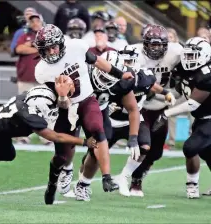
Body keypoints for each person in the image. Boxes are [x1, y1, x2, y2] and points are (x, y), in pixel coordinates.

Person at [34, 24, 136, 204]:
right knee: (61, 156)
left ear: (61, 43)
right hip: (65, 109)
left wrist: (120, 74)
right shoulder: (42, 71)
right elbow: (60, 103)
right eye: (46, 49)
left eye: (54, 46)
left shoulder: (76, 47)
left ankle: (106, 177)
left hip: (87, 99)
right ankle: (54, 181)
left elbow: (97, 61)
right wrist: (63, 95)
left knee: (98, 130)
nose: (51, 52)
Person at [0, 85, 97, 198]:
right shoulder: (30, 115)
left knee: (8, 154)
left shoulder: (29, 98)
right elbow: (55, 137)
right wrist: (84, 141)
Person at [153, 37, 211, 199]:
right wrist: (160, 96)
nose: (188, 59)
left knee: (190, 148)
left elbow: (192, 104)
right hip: (204, 117)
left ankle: (192, 185)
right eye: (187, 55)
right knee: (207, 150)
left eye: (192, 56)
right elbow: (177, 91)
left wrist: (166, 113)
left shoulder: (210, 74)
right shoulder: (182, 68)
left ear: (204, 56)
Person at [59, 51, 141, 201]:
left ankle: (83, 185)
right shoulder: (82, 70)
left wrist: (134, 136)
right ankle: (67, 168)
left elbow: (133, 109)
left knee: (100, 145)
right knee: (67, 144)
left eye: (108, 78)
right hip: (75, 107)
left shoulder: (123, 80)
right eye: (102, 75)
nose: (103, 80)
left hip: (99, 112)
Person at [108, 46, 176, 197]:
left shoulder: (144, 76)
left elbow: (151, 85)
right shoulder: (110, 76)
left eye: (130, 61)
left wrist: (165, 92)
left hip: (134, 118)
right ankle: (83, 182)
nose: (127, 66)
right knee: (94, 152)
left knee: (145, 147)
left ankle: (124, 177)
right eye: (124, 61)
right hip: (112, 120)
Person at [123, 25, 183, 197]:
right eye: (152, 44)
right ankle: (132, 179)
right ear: (145, 43)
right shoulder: (134, 53)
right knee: (144, 146)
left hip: (161, 107)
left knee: (156, 152)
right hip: (141, 105)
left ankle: (138, 174)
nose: (156, 48)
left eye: (159, 45)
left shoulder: (176, 51)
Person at [15, 13, 44, 94]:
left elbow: (49, 50)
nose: (35, 23)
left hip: (42, 80)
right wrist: (38, 48)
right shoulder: (24, 36)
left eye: (37, 21)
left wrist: (29, 45)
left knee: (41, 104)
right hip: (25, 78)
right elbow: (19, 49)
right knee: (23, 104)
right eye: (32, 21)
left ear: (42, 23)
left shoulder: (47, 36)